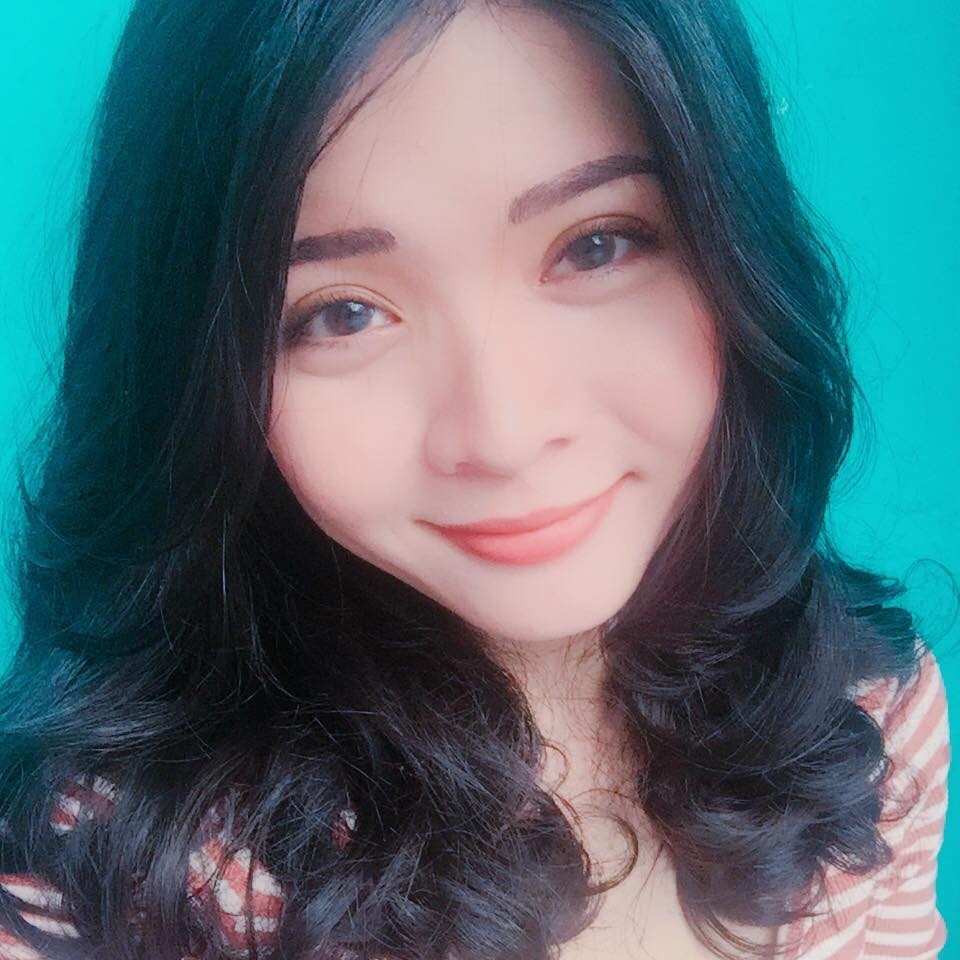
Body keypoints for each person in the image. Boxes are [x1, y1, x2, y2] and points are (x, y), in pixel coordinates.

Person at [0, 1, 950, 958]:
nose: (505, 435)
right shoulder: (133, 874)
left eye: (596, 244)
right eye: (342, 314)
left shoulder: (867, 720)